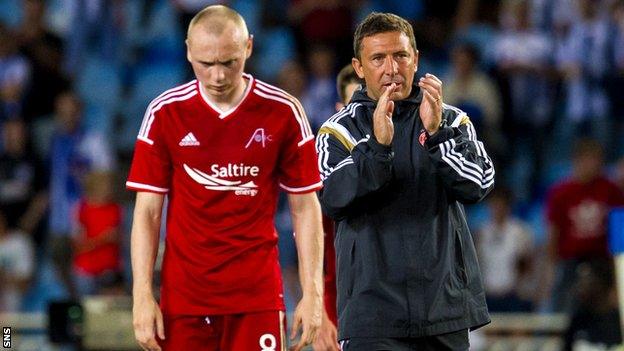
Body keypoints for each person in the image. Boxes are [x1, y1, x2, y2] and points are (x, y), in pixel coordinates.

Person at [126, 5, 324, 351]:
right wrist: (141, 294)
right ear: (188, 50)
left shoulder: (284, 112)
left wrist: (313, 293)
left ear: (248, 47)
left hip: (256, 296)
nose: (217, 76)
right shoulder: (164, 113)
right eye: (206, 63)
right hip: (184, 298)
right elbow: (147, 212)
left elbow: (306, 208)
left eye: (229, 62)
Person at [316, 12, 494, 350]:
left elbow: (479, 183)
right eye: (378, 58)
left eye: (400, 55)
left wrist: (438, 134)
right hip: (373, 317)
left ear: (416, 59)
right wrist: (378, 150)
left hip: (444, 310)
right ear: (359, 67)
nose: (391, 68)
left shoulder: (451, 119)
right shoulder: (337, 131)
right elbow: (333, 198)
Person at [543, 139, 624, 313]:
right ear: (577, 161)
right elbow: (554, 233)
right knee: (563, 308)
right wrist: (550, 268)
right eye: (589, 160)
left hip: (602, 261)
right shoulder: (561, 192)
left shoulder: (611, 190)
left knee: (605, 310)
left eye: (597, 160)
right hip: (570, 262)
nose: (593, 165)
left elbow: (618, 230)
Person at [313, 64, 361, 351]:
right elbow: (316, 249)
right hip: (341, 302)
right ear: (339, 107)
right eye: (354, 103)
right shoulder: (324, 167)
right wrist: (322, 316)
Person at [476, 187, 535, 312]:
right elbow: (476, 264)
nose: (497, 209)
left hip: (511, 295)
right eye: (494, 205)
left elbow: (527, 265)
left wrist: (522, 290)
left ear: (508, 206)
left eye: (501, 205)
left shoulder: (520, 232)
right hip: (487, 294)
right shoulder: (482, 232)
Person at [72, 171, 123, 296]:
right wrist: (104, 239)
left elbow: (121, 239)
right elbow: (78, 245)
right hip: (87, 270)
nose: (110, 188)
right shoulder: (82, 209)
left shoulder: (115, 208)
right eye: (105, 185)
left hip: (109, 269)